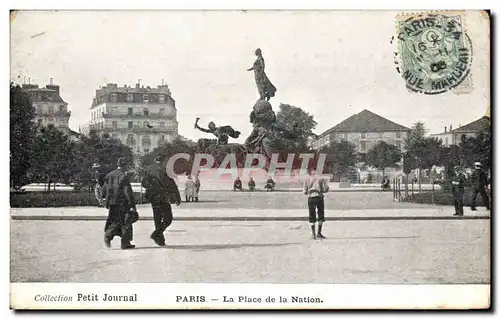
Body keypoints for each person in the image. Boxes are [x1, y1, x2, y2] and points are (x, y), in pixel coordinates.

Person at [142, 155, 181, 247]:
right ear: (163, 161)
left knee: (157, 217)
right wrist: (177, 197)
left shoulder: (148, 169)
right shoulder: (165, 169)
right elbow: (172, 184)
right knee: (168, 218)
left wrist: (151, 188)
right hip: (163, 196)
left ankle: (159, 239)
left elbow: (144, 183)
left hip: (153, 196)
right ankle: (157, 234)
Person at [101, 157, 138, 249]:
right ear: (124, 165)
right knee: (126, 222)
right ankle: (121, 242)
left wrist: (106, 200)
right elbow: (127, 191)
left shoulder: (109, 175)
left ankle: (111, 237)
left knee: (115, 220)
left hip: (112, 203)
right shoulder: (124, 176)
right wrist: (132, 204)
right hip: (122, 203)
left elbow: (104, 190)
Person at [303, 169, 329, 239]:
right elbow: (326, 189)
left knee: (312, 215)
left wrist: (310, 190)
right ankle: (319, 233)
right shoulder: (321, 178)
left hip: (311, 198)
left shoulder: (307, 179)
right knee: (321, 214)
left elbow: (305, 192)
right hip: (319, 197)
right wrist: (320, 190)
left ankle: (313, 234)